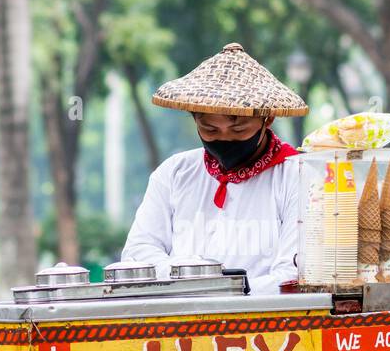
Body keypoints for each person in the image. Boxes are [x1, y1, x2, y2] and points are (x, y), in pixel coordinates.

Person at [121, 42, 308, 294]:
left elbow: (293, 274)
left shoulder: (298, 175)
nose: (225, 138)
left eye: (239, 128)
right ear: (195, 119)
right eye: (209, 129)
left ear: (268, 119)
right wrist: (189, 278)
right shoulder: (174, 173)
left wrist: (227, 290)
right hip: (179, 317)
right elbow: (138, 252)